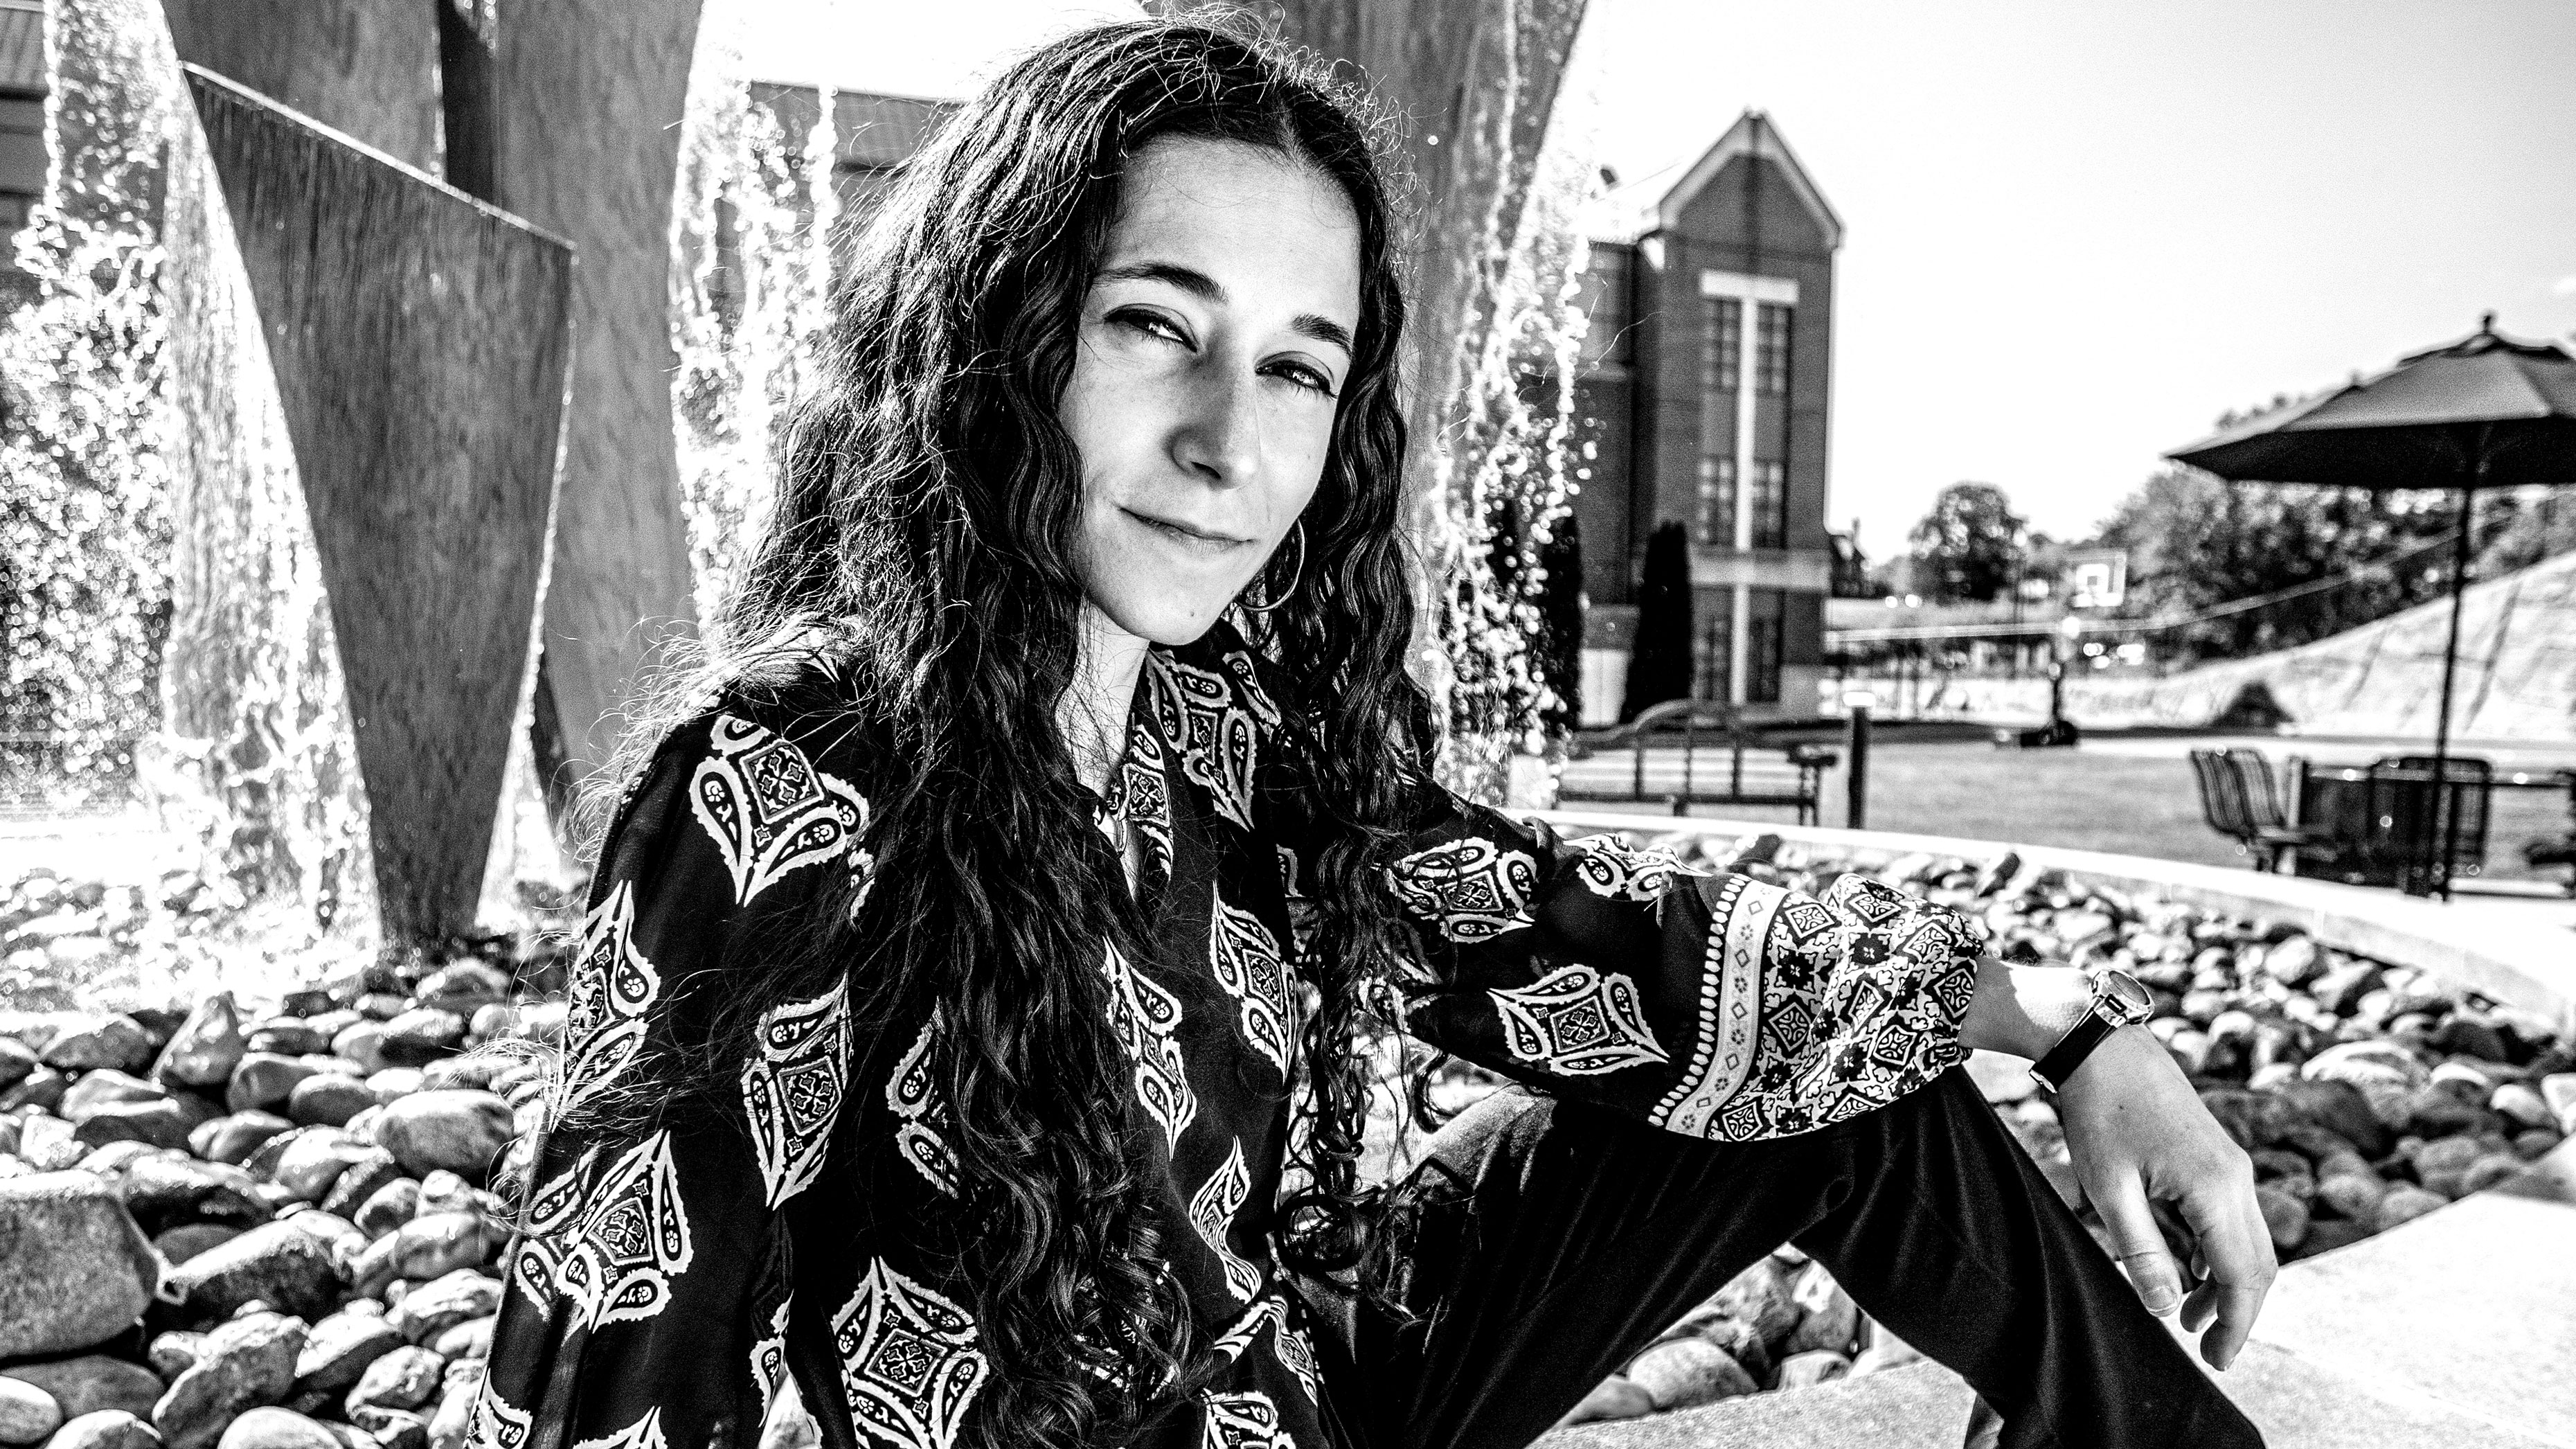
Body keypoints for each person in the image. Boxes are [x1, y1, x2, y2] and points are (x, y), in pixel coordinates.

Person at [476, 21, 2272, 1449]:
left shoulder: (1215, 722)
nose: (1226, 439)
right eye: (1151, 328)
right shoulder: (793, 787)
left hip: (1312, 1393)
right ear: (997, 338)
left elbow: (1576, 937)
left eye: (1295, 366)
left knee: (1844, 1080)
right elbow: (612, 1362)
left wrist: (2062, 1013)